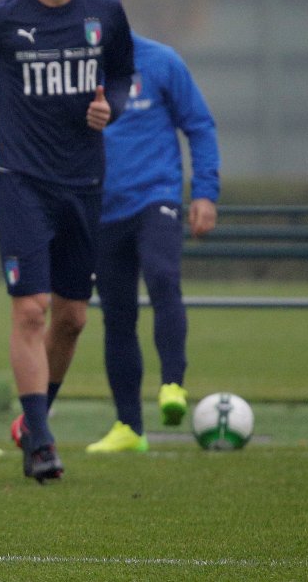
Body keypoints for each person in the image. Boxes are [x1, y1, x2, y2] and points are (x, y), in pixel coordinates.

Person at [0, 0, 135, 482]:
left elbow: (124, 72)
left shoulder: (104, 10)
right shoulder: (2, 17)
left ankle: (36, 420)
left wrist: (115, 105)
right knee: (30, 309)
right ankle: (42, 442)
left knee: (73, 318)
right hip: (22, 182)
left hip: (85, 182)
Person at [86, 32, 220, 453]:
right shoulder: (79, 70)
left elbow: (199, 125)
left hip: (156, 197)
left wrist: (204, 192)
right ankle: (129, 427)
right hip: (102, 209)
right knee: (117, 315)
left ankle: (172, 386)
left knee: (163, 277)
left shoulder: (162, 61)